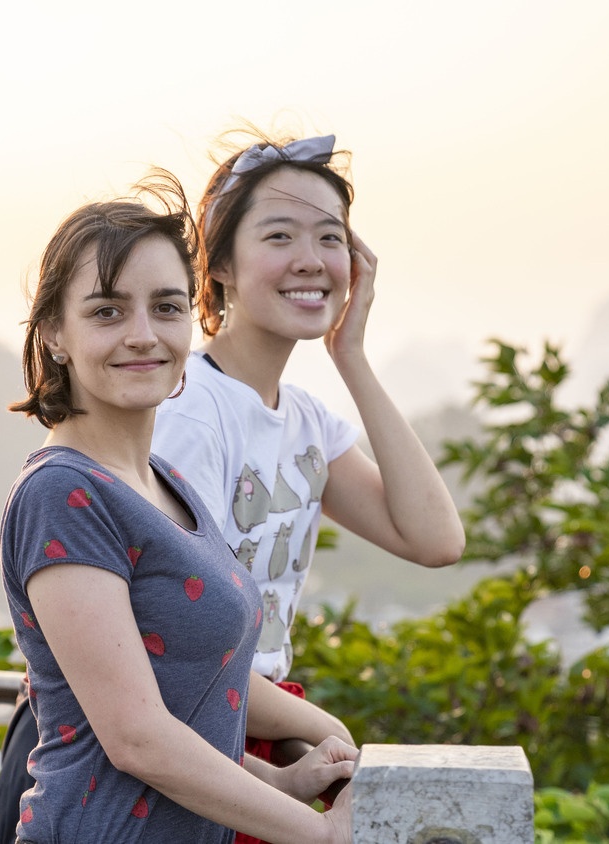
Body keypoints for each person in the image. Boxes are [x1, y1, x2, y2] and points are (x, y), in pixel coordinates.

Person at [0, 173, 356, 844]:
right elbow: (137, 738)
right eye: (107, 311)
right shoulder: (62, 494)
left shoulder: (166, 485)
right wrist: (327, 836)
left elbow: (184, 700)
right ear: (54, 333)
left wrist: (282, 782)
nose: (144, 334)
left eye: (166, 307)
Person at [147, 133, 467, 789]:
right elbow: (172, 639)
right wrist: (321, 727)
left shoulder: (305, 421)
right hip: (195, 741)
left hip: (254, 725)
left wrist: (350, 355)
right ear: (221, 264)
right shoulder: (191, 412)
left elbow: (434, 538)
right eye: (279, 237)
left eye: (329, 238)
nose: (311, 260)